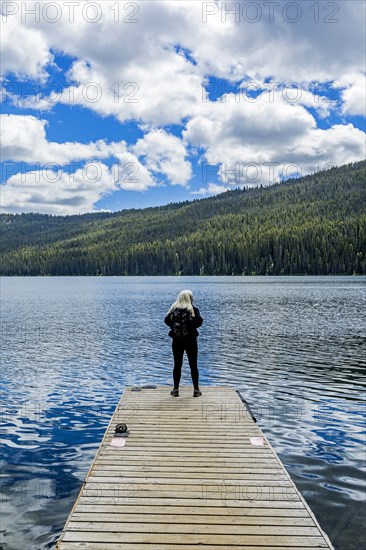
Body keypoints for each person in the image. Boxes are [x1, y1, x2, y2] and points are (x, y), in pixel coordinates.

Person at [164, 289, 203, 398]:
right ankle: (196, 390)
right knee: (193, 365)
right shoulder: (193, 310)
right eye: (192, 297)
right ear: (189, 299)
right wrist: (191, 327)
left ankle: (175, 389)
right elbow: (199, 321)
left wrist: (174, 326)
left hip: (177, 340)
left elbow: (166, 320)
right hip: (191, 340)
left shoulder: (173, 309)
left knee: (177, 364)